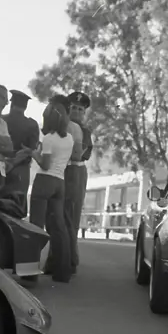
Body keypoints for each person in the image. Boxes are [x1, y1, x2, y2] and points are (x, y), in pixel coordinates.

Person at [28, 100, 75, 283]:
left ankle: (30, 272)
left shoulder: (48, 138)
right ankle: (63, 272)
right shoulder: (69, 138)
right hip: (59, 183)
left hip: (44, 181)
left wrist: (34, 153)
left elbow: (45, 164)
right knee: (59, 228)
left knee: (35, 227)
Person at [65, 91, 93, 272]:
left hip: (75, 170)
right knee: (57, 217)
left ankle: (70, 259)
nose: (76, 111)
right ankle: (56, 258)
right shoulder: (61, 126)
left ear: (84, 113)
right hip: (60, 170)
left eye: (80, 109)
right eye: (73, 108)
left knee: (71, 215)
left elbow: (85, 153)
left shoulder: (84, 131)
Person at [3, 90, 40, 214]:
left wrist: (7, 162)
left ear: (11, 104)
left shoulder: (0, 120)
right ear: (25, 107)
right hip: (21, 170)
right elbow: (31, 150)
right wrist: (14, 163)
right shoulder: (31, 124)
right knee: (16, 207)